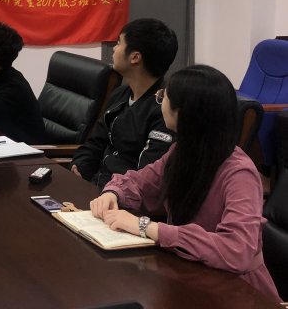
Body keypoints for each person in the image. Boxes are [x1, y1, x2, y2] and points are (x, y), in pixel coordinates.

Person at [89, 65, 280, 302]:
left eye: (163, 97)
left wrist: (148, 228)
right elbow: (140, 181)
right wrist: (113, 193)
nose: (160, 102)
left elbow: (236, 250)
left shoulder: (240, 173)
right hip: (189, 273)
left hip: (236, 291)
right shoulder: (183, 151)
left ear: (183, 113)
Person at [71, 18, 177, 188]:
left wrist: (109, 192)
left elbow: (147, 178)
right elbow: (95, 143)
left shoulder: (164, 111)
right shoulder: (119, 94)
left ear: (135, 57)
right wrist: (80, 168)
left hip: (122, 196)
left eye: (119, 43)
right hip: (94, 187)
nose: (114, 48)